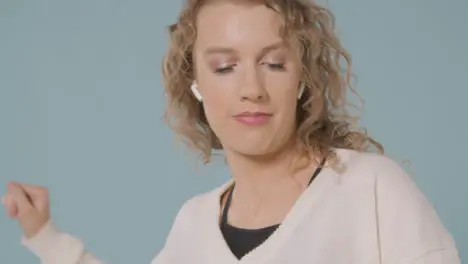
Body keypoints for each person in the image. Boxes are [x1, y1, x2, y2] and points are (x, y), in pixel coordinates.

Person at [2, 0, 461, 263]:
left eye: (274, 63)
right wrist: (46, 236)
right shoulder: (194, 223)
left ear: (301, 78)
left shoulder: (371, 189)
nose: (251, 89)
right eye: (225, 66)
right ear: (195, 82)